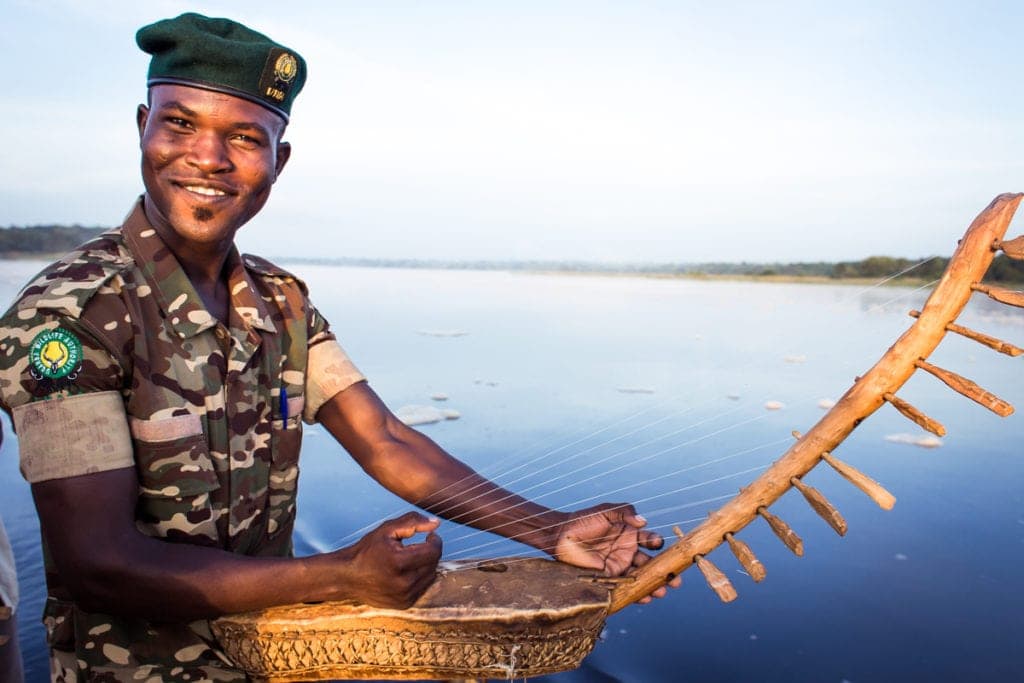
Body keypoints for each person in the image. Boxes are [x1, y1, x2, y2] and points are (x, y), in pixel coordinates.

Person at [0, 13, 674, 681]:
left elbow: (383, 437)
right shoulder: (69, 316)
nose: (208, 158)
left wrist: (550, 530)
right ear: (141, 127)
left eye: (243, 137)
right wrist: (342, 575)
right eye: (179, 123)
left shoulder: (281, 301)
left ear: (278, 160)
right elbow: (98, 562)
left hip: (279, 661)